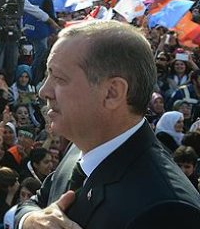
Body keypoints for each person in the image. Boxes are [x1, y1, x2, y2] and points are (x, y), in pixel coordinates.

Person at [16, 20, 200, 228]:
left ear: (112, 92)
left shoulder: (168, 211)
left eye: (59, 78)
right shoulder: (83, 145)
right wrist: (30, 220)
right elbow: (38, 202)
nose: (44, 91)